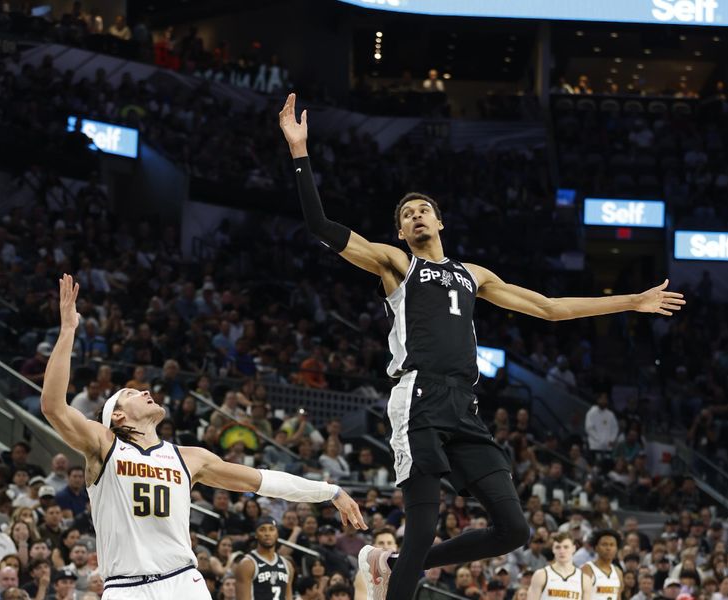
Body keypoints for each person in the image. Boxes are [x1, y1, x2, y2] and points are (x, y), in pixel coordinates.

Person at [279, 92, 685, 600]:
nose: (418, 216)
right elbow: (321, 227)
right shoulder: (397, 265)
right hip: (419, 396)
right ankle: (399, 572)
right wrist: (299, 152)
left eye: (425, 210)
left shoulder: (474, 275)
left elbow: (551, 308)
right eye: (408, 214)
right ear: (401, 231)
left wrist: (631, 301)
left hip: (464, 405)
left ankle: (393, 564)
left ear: (441, 222)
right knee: (424, 523)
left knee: (514, 530)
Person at [40, 275, 366, 600]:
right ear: (118, 416)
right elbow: (53, 406)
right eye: (132, 393)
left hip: (183, 581)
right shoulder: (104, 445)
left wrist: (330, 491)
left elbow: (261, 481)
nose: (145, 391)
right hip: (126, 587)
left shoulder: (190, 457)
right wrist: (68, 329)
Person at [235, 516, 293, 600]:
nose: (267, 533)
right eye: (262, 529)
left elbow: (288, 597)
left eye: (271, 529)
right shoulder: (247, 564)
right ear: (256, 534)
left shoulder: (287, 565)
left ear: (277, 534)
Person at [528, 533, 591, 600]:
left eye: (566, 547)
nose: (562, 551)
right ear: (553, 549)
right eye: (558, 547)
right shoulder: (541, 575)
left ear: (574, 548)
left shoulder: (584, 579)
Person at [583, 530, 623, 600]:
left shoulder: (618, 572)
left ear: (616, 549)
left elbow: (618, 597)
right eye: (604, 544)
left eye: (612, 545)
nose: (608, 548)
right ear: (596, 548)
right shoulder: (588, 569)